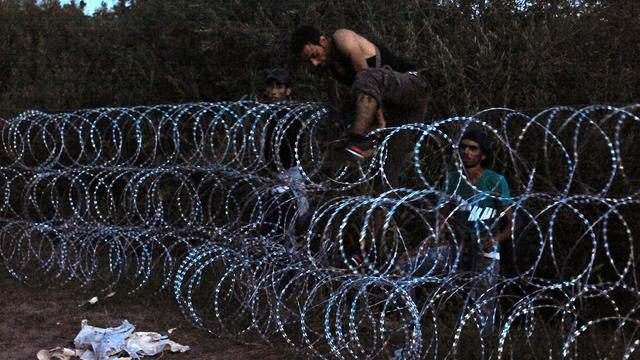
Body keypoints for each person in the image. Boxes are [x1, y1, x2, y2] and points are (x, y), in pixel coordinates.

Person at [290, 26, 429, 163]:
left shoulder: (342, 37)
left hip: (412, 84)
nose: (314, 63)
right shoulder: (329, 68)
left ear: (323, 40)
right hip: (395, 106)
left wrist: (378, 121)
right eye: (309, 61)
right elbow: (335, 104)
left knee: (365, 78)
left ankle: (357, 139)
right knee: (389, 164)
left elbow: (366, 77)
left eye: (314, 55)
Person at [440, 129, 513, 331]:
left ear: (483, 155)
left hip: (485, 250)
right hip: (458, 249)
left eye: (473, 148)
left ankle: (483, 344)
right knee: (452, 300)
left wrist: (496, 239)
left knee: (483, 310)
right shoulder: (453, 179)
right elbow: (442, 217)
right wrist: (434, 237)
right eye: (463, 147)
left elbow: (512, 223)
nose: (466, 152)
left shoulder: (495, 181)